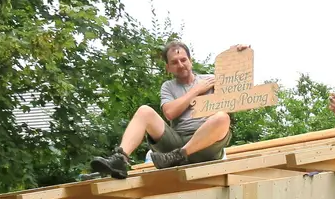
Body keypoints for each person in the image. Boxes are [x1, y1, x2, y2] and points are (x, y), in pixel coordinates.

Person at [89, 41, 245, 179]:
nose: (181, 64)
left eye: (183, 60)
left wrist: (237, 56)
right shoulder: (168, 87)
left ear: (191, 61)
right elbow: (170, 112)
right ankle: (120, 159)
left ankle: (181, 155)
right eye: (174, 62)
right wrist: (196, 90)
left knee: (223, 117)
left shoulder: (211, 79)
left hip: (207, 146)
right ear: (168, 67)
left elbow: (238, 90)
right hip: (176, 143)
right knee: (144, 111)